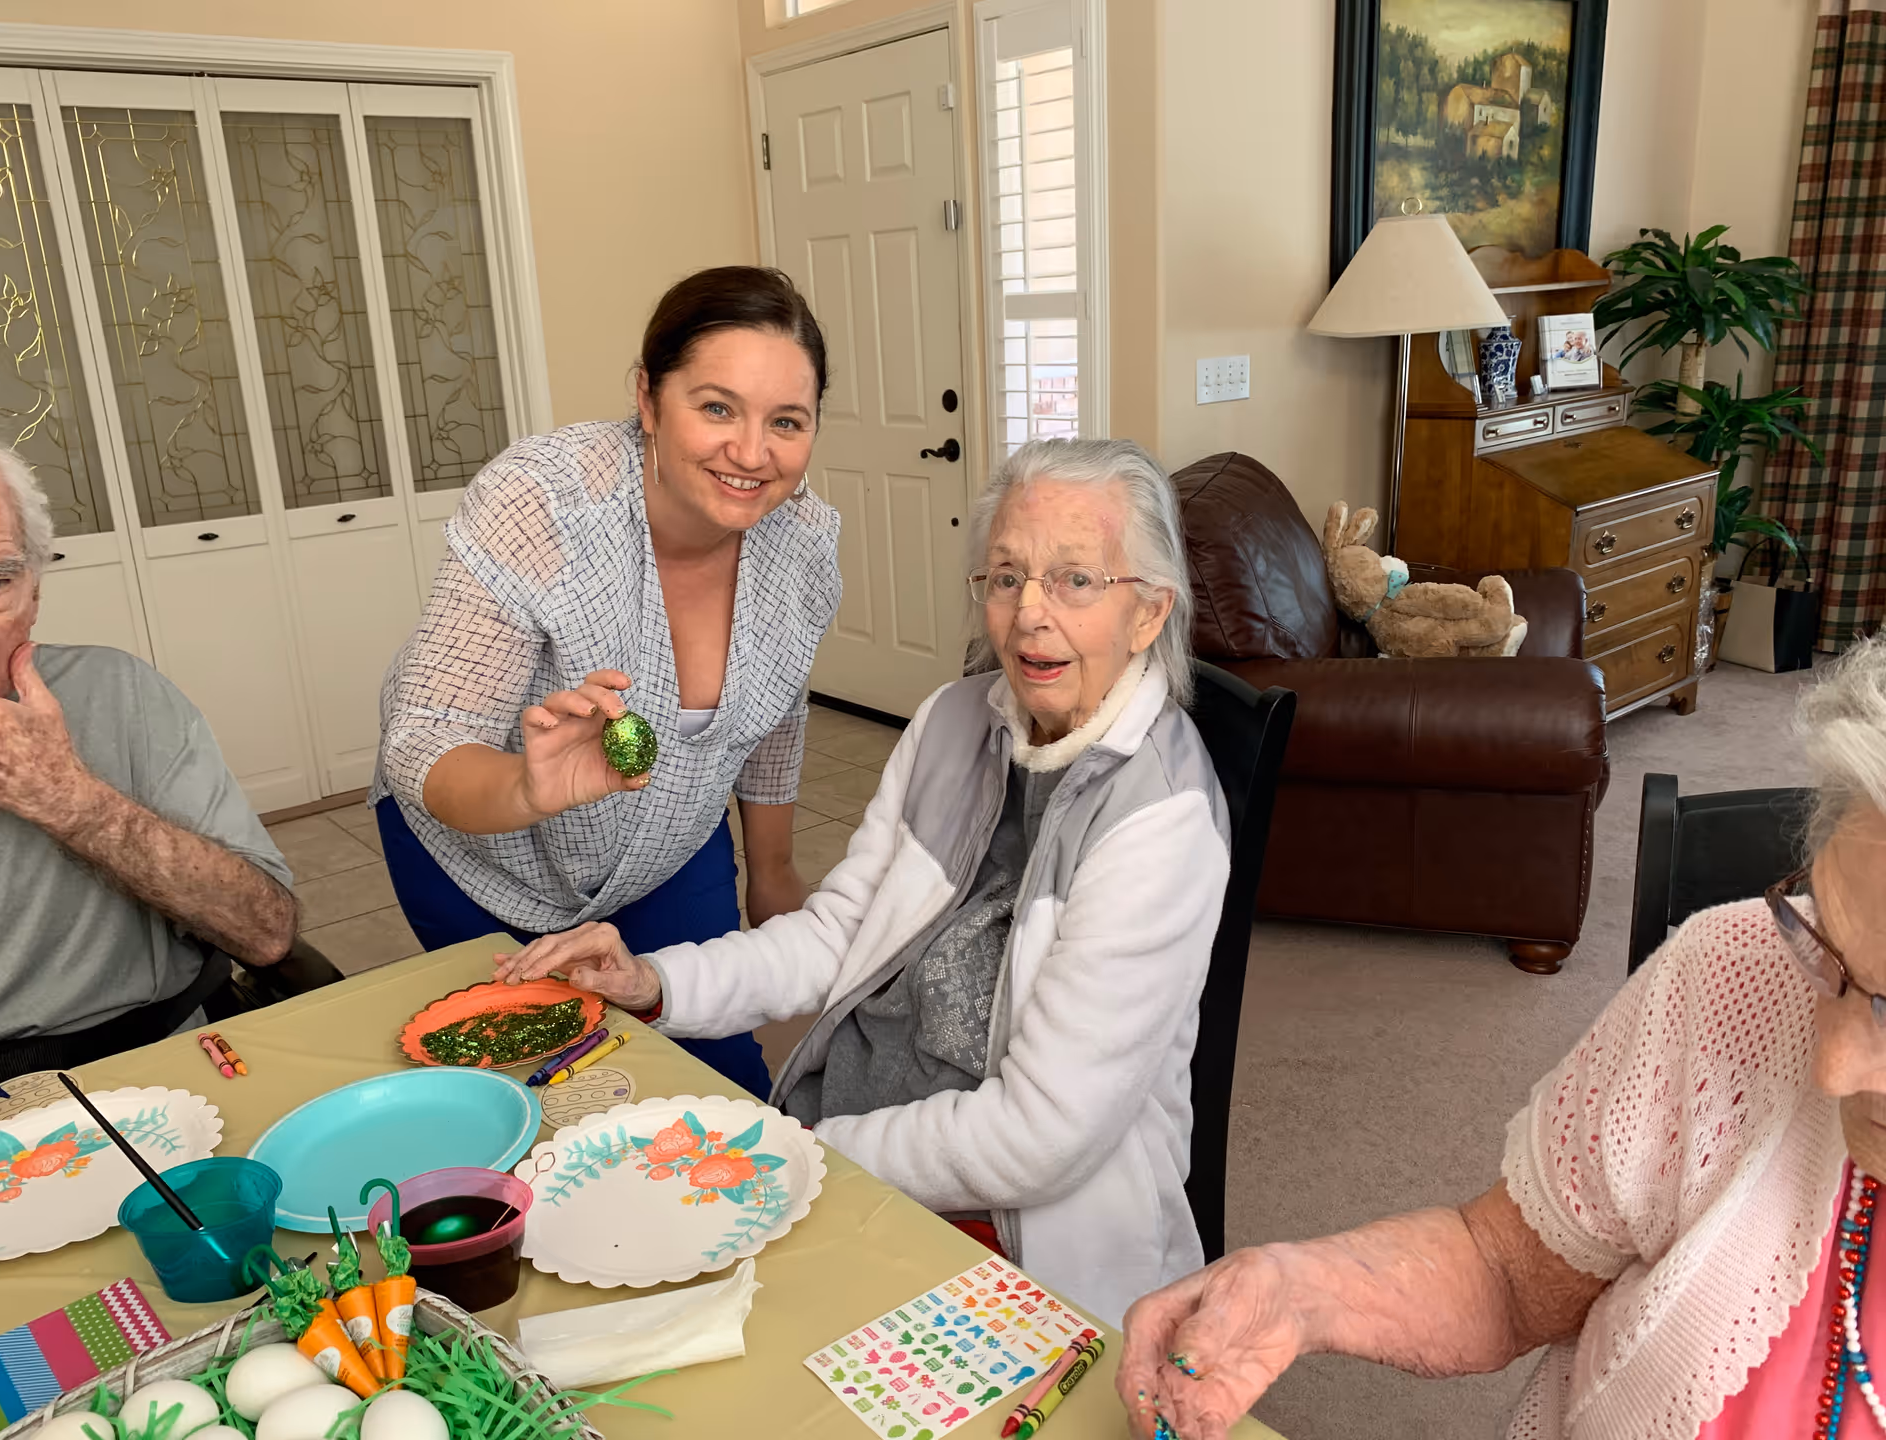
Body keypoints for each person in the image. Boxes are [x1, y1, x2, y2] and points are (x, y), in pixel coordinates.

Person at [493, 437, 1231, 1323]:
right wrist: (656, 982)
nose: (1029, 614)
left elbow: (1041, 1137)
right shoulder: (954, 722)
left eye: (1076, 580)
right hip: (840, 1137)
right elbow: (838, 932)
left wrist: (795, 1154)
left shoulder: (1163, 819)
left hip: (1004, 1228)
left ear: (1149, 614)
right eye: (1004, 576)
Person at [1117, 634, 1886, 1440]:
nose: (1830, 1065)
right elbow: (1505, 1273)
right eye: (1828, 949)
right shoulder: (1734, 973)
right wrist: (1300, 1286)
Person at [373, 266, 840, 1099]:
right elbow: (424, 738)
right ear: (648, 399)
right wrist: (526, 783)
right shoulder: (545, 502)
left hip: (671, 845)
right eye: (717, 407)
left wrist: (771, 874)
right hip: (484, 851)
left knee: (717, 1077)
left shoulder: (802, 539)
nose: (752, 453)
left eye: (787, 422)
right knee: (533, 1087)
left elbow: (774, 714)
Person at [0, 420, 297, 1106]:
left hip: (183, 1052)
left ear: (34, 588)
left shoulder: (122, 692)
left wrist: (64, 796)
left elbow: (265, 932)